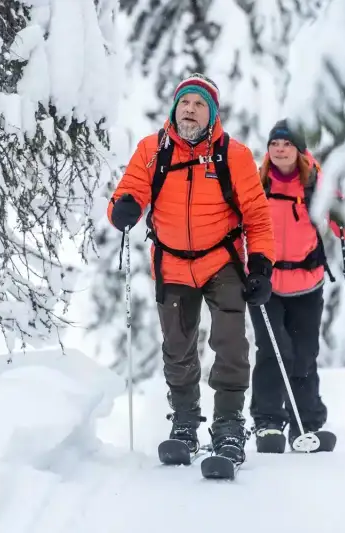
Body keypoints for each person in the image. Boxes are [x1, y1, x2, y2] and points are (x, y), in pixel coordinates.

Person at [106, 73, 276, 464]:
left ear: (212, 114)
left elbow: (257, 217)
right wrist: (124, 209)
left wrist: (262, 265)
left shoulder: (234, 156)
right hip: (173, 264)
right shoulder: (153, 150)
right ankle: (184, 423)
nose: (190, 109)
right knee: (178, 349)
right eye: (185, 102)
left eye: (200, 104)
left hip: (223, 262)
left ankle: (229, 424)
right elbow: (125, 194)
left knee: (230, 342)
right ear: (174, 108)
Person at [249, 119, 345, 452]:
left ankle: (305, 426)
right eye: (274, 144)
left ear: (299, 151)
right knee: (272, 351)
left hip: (306, 284)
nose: (280, 150)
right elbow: (237, 223)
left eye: (286, 144)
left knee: (304, 354)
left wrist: (343, 218)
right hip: (265, 284)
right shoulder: (256, 183)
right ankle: (268, 424)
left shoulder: (315, 184)